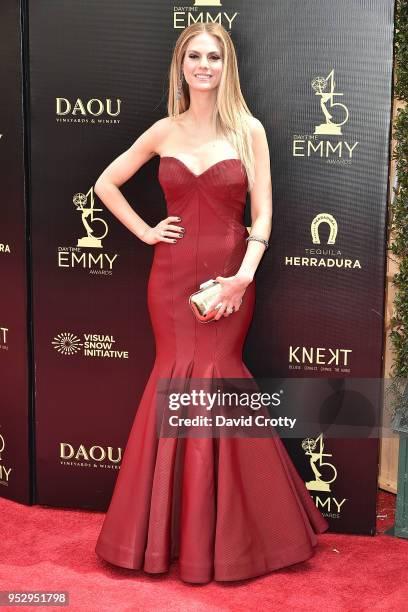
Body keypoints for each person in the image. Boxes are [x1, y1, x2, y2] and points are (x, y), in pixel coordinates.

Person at [94, 22, 329, 584]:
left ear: (228, 66)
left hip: (230, 281)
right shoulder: (163, 130)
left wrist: (241, 279)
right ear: (181, 65)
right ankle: (167, 538)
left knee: (218, 378)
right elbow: (106, 184)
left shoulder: (249, 130)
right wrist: (147, 232)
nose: (204, 65)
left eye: (214, 57)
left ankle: (231, 538)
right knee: (174, 378)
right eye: (195, 56)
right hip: (171, 285)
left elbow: (263, 215)